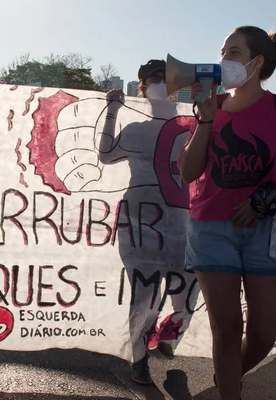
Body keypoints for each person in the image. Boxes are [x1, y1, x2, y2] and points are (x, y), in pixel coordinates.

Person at [178, 26, 276, 400]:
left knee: (264, 333)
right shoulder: (213, 106)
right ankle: (231, 391)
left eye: (235, 53)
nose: (225, 60)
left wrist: (265, 202)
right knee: (226, 329)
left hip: (266, 233)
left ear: (257, 63)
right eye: (223, 52)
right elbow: (188, 172)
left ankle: (226, 376)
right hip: (211, 228)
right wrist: (206, 120)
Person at [105, 59, 189, 386]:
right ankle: (139, 361)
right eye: (152, 80)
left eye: (165, 79)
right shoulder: (137, 130)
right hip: (140, 220)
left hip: (180, 219)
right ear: (142, 89)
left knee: (187, 289)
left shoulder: (192, 129)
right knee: (145, 294)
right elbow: (106, 154)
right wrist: (112, 110)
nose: (159, 84)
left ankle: (165, 336)